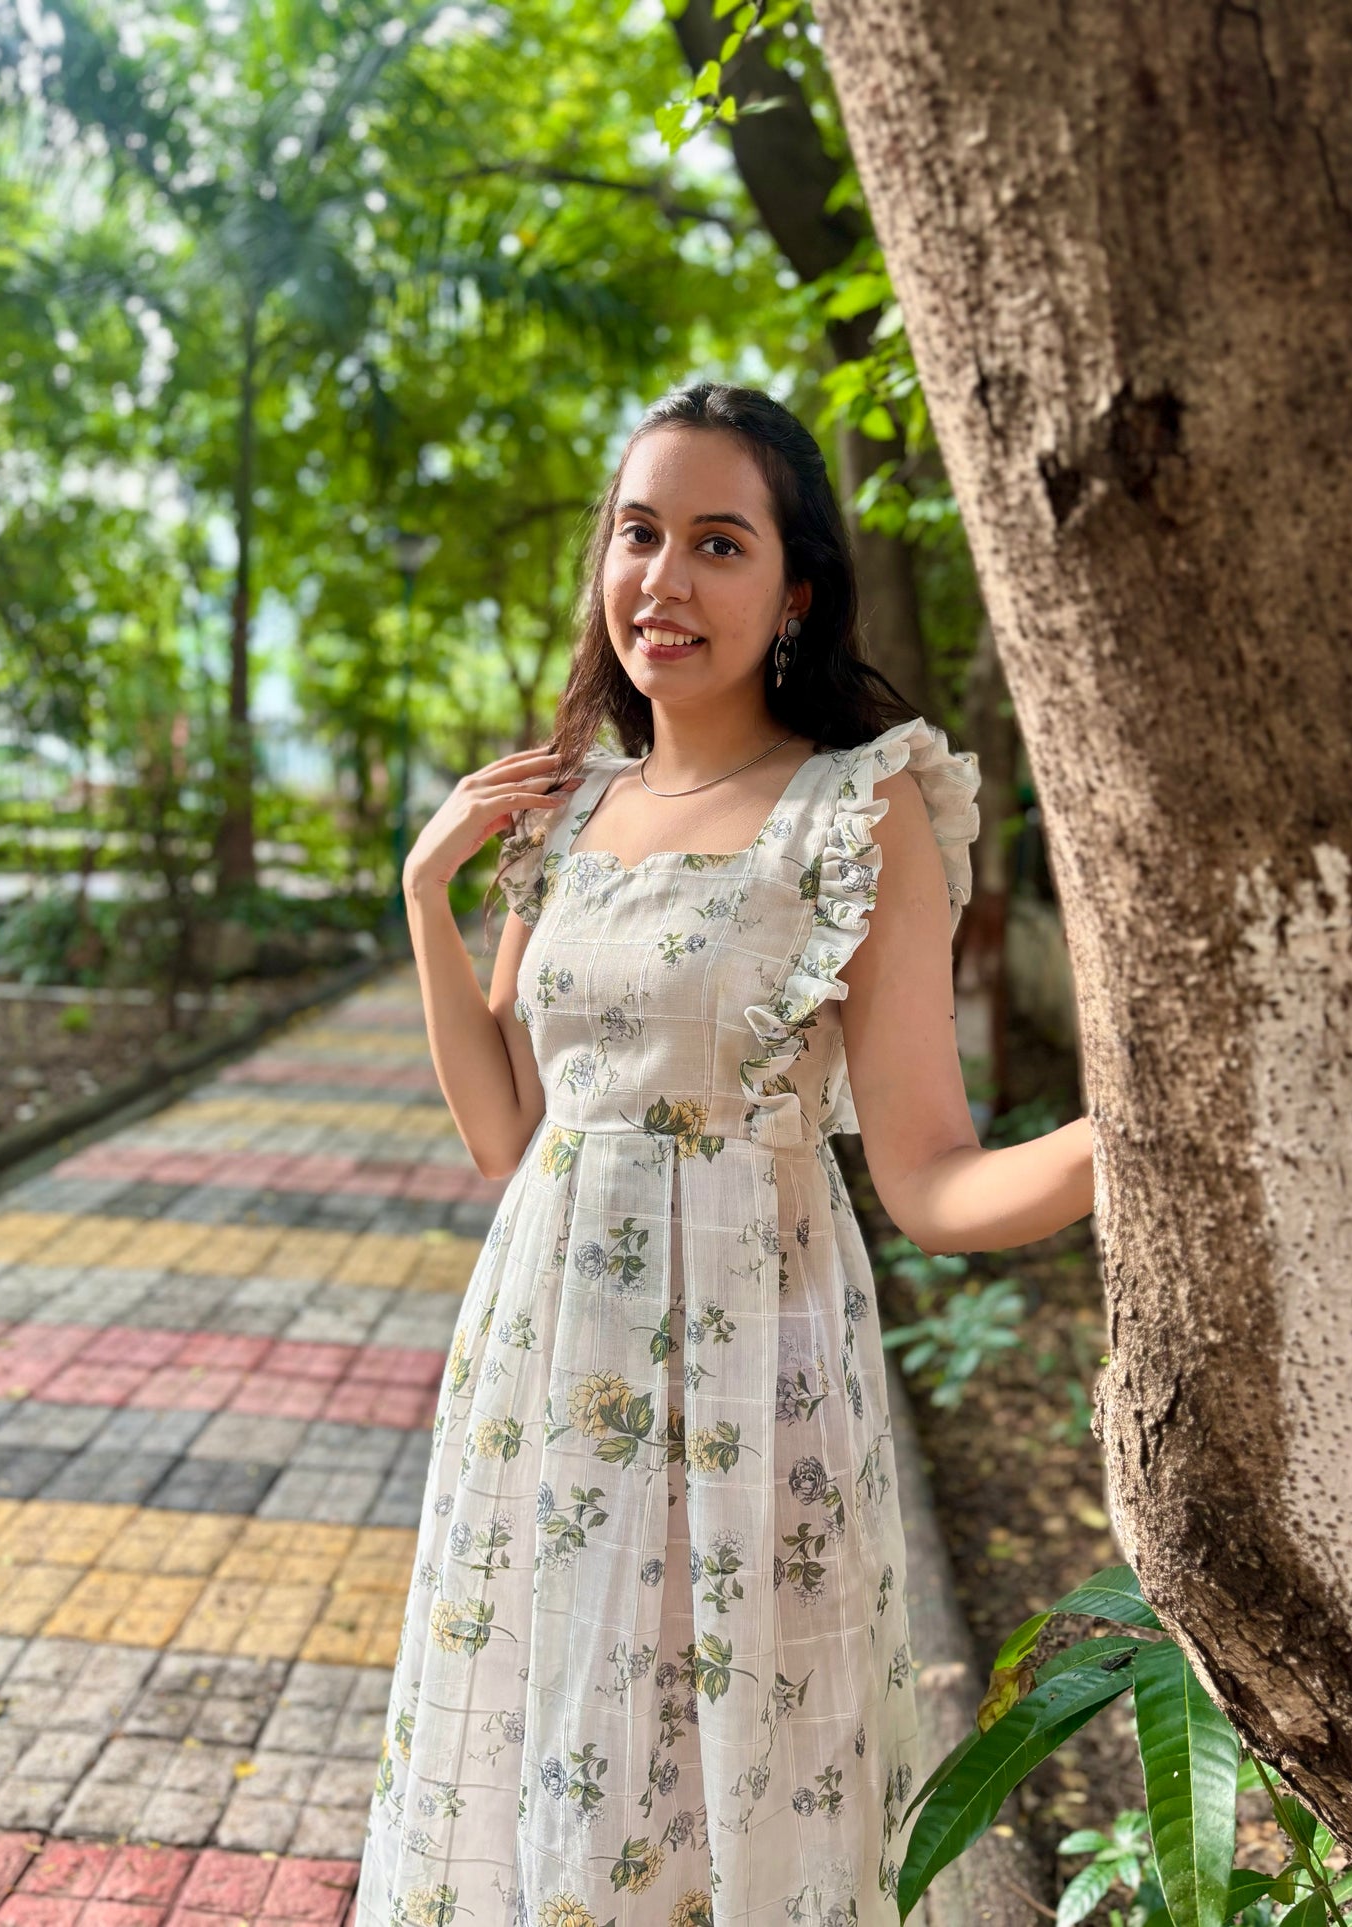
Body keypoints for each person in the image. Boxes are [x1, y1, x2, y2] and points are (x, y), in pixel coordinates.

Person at [356, 381, 1095, 1927]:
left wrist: (1139, 1138)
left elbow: (929, 1181)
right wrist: (430, 896)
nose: (662, 581)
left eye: (714, 541)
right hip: (546, 1367)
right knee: (558, 1756)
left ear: (793, 590)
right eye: (638, 535)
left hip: (753, 1377)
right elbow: (509, 1129)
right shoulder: (567, 809)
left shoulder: (858, 807)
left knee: (736, 1776)